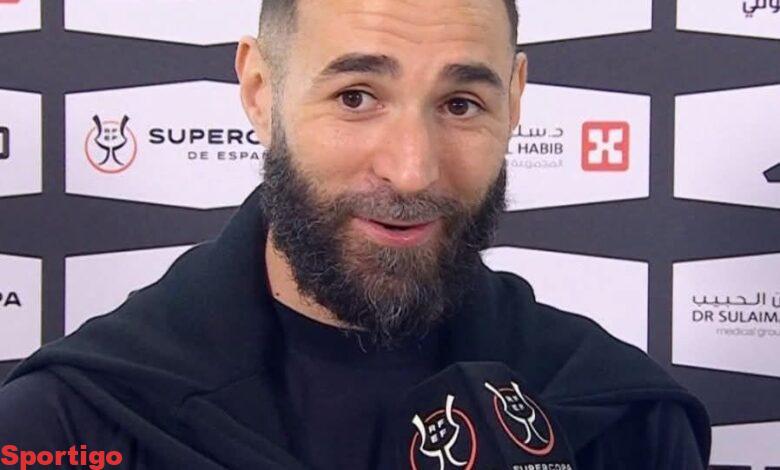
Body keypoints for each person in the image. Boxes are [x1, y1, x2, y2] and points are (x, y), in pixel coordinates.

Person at [0, 0, 710, 468]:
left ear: (516, 99)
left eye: (461, 104)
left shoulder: (623, 421)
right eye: (356, 96)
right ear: (260, 92)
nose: (412, 170)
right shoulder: (65, 424)